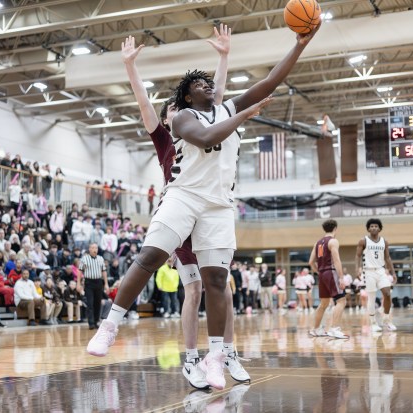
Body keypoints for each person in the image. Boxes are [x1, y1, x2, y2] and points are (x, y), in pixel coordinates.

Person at [88, 24, 274, 390]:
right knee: (193, 290)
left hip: (212, 208)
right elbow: (145, 101)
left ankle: (223, 353)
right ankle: (191, 358)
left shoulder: (210, 114)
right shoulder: (167, 134)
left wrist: (223, 57)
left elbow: (218, 101)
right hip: (181, 209)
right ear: (171, 115)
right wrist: (130, 67)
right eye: (171, 108)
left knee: (222, 287)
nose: (175, 110)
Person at [355, 218, 397, 333]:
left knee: (387, 294)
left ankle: (387, 320)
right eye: (371, 226)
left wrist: (393, 272)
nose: (374, 228)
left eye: (376, 226)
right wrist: (358, 268)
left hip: (381, 270)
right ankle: (373, 323)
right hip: (368, 271)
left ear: (379, 228)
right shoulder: (363, 241)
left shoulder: (384, 241)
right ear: (368, 228)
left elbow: (387, 258)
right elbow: (358, 256)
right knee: (372, 297)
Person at [308, 219, 348, 339]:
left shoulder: (317, 243)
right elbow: (336, 260)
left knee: (324, 303)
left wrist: (319, 272)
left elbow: (310, 262)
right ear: (335, 228)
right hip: (331, 272)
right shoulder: (333, 241)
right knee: (341, 301)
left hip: (322, 274)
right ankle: (334, 329)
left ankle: (315, 329)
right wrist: (341, 277)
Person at [78, 242, 109, 329]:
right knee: (90, 303)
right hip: (89, 283)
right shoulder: (84, 259)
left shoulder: (100, 258)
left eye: (96, 248)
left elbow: (104, 271)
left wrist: (106, 284)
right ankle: (91, 323)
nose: (95, 249)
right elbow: (80, 272)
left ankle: (96, 321)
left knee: (97, 303)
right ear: (89, 249)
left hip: (98, 282)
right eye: (93, 248)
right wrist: (78, 284)